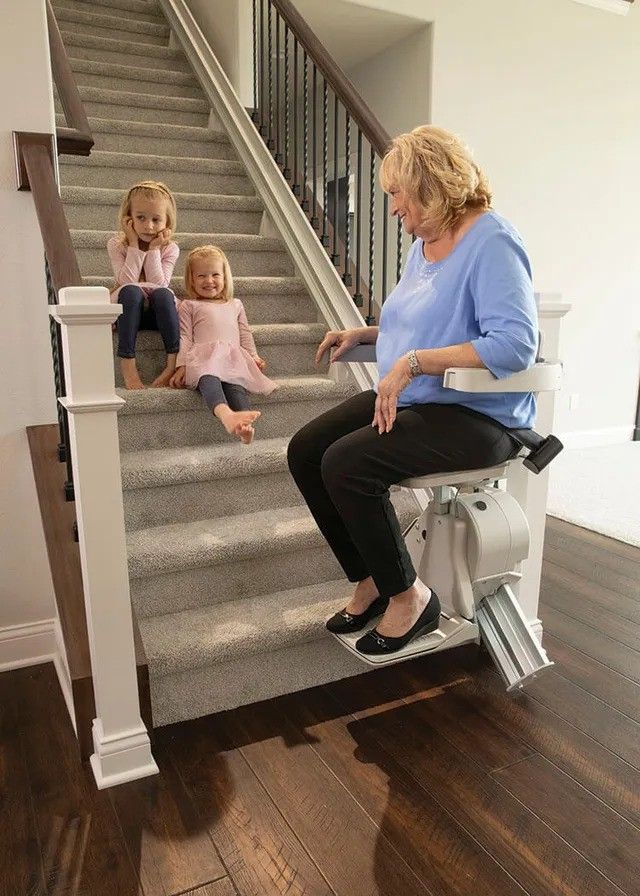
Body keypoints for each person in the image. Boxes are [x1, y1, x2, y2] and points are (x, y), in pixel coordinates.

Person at [287, 125, 538, 657]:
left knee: (347, 463)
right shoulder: (423, 247)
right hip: (424, 399)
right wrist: (371, 335)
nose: (394, 208)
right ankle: (374, 578)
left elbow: (514, 344)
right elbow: (429, 324)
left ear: (429, 184)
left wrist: (413, 362)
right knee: (307, 450)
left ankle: (410, 598)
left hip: (481, 418)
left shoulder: (492, 240)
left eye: (398, 194)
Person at [169, 245, 277, 444]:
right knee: (209, 379)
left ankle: (244, 427)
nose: (209, 281)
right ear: (191, 279)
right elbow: (185, 337)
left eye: (215, 275)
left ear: (225, 277)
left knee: (236, 386)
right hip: (203, 358)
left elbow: (244, 333)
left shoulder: (235, 304)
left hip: (232, 358)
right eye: (201, 276)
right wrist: (181, 365)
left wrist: (253, 356)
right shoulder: (189, 305)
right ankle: (226, 415)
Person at [107, 180, 180, 390]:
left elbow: (159, 284)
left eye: (156, 219)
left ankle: (171, 365)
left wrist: (154, 249)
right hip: (128, 313)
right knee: (131, 291)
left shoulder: (170, 248)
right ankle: (128, 364)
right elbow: (126, 282)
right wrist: (133, 244)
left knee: (164, 294)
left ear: (167, 223)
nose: (148, 226)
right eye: (141, 218)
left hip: (159, 315)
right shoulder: (116, 244)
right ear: (128, 219)